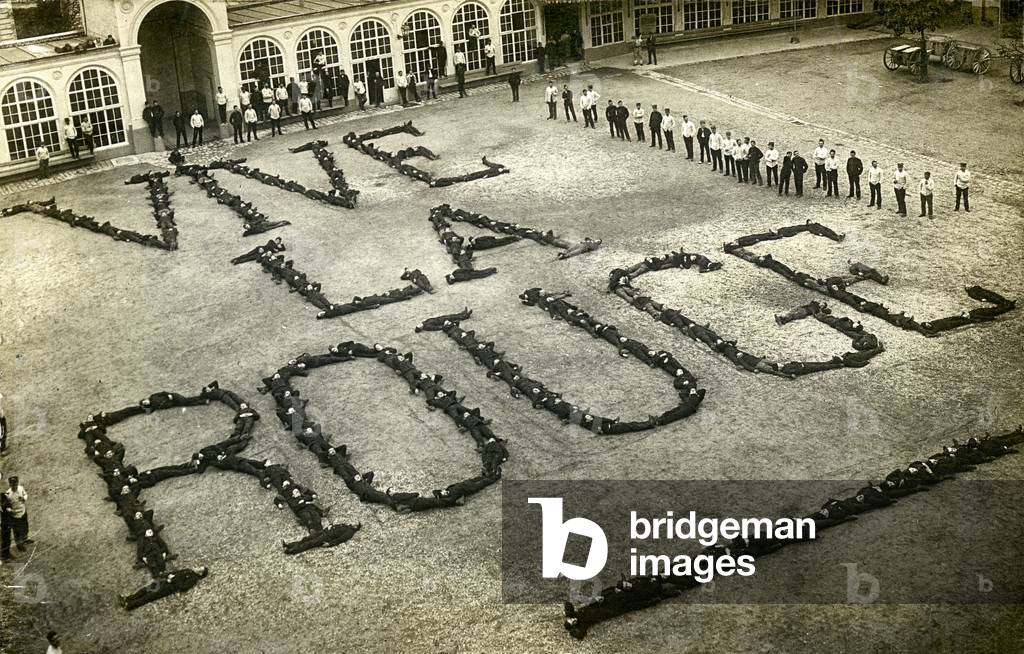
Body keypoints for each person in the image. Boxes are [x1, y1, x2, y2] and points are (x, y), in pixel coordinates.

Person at [3, 476, 31, 551]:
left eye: (15, 484)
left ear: (17, 483)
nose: (14, 486)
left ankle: (25, 538)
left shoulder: (21, 488)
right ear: (10, 484)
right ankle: (19, 544)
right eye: (13, 484)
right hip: (15, 515)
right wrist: (9, 510)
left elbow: (25, 494)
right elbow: (5, 506)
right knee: (17, 530)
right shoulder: (8, 494)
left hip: (23, 511)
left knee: (25, 526)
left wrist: (24, 498)